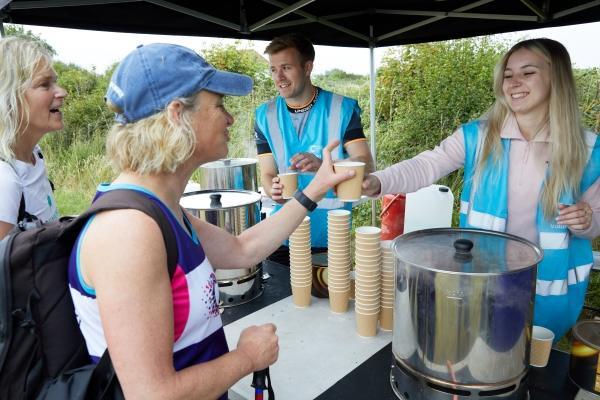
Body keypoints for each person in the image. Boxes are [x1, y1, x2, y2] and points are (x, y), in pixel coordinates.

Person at [67, 43, 354, 399]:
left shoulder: (159, 208)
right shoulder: (129, 231)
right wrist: (246, 357)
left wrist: (318, 187)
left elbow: (242, 249)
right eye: (219, 105)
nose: (230, 118)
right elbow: (152, 394)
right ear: (177, 115)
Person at [363, 38, 600, 342]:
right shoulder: (478, 136)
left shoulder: (590, 149)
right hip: (483, 278)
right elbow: (427, 165)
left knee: (534, 368)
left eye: (528, 73)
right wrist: (378, 181)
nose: (514, 83)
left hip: (547, 289)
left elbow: (593, 222)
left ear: (558, 78)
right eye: (507, 74)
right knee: (480, 356)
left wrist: (587, 220)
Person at [255, 33, 374, 265]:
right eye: (273, 69)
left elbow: (366, 164)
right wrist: (273, 190)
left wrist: (324, 166)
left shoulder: (342, 108)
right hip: (282, 233)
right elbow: (268, 173)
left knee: (327, 300)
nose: (279, 77)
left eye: (286, 67)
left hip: (329, 234)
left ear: (307, 67)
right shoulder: (264, 115)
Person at [0, 36, 66, 239]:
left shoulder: (34, 155)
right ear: (9, 98)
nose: (62, 92)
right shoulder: (5, 181)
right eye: (45, 84)